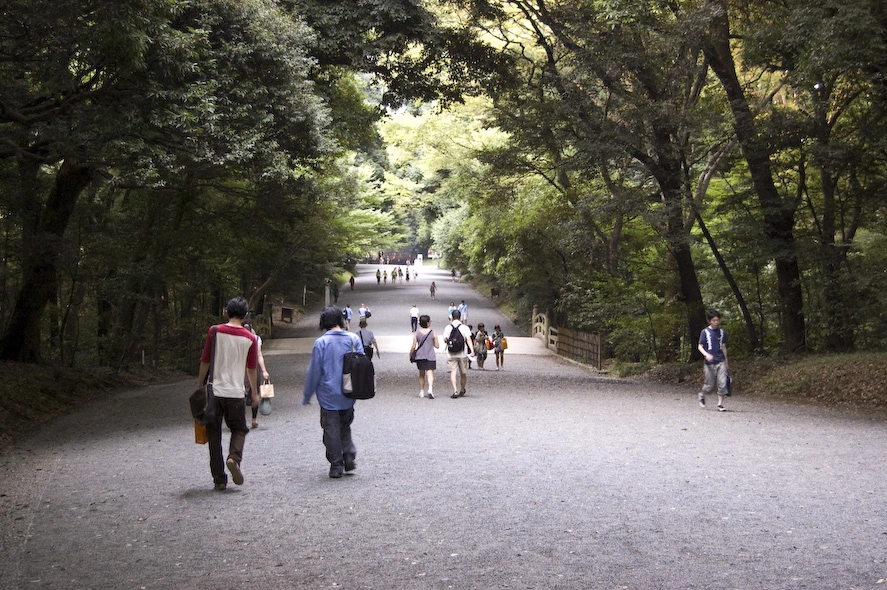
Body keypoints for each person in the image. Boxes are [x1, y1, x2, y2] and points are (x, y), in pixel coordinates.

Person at [196, 296, 258, 491]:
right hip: (236, 392)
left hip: (215, 390)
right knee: (239, 429)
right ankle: (234, 458)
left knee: (213, 435)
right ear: (245, 315)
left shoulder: (214, 331)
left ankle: (219, 480)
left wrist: (200, 383)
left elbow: (205, 360)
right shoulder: (250, 338)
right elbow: (251, 369)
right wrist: (254, 393)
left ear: (226, 312)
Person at [303, 306, 363, 478]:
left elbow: (314, 371)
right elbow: (361, 364)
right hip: (349, 392)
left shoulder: (321, 343)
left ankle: (336, 465)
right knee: (345, 426)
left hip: (328, 394)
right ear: (340, 320)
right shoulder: (353, 339)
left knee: (331, 430)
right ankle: (348, 454)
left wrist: (308, 393)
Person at [698, 309, 729, 412]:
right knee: (709, 386)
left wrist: (726, 361)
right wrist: (706, 354)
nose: (716, 322)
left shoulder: (722, 333)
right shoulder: (705, 332)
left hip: (721, 360)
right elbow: (700, 346)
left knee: (722, 383)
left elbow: (723, 347)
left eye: (717, 320)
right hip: (709, 363)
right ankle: (702, 394)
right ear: (709, 321)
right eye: (713, 320)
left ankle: (720, 404)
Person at [242, 319, 270, 430]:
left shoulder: (238, 338)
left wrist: (264, 370)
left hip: (241, 368)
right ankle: (253, 419)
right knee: (255, 393)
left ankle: (242, 419)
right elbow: (259, 355)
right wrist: (264, 371)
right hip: (254, 367)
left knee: (241, 394)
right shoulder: (256, 338)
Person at [442, 309, 472, 398]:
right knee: (463, 373)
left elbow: (445, 340)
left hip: (451, 353)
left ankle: (455, 391)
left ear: (452, 317)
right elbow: (468, 339)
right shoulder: (465, 327)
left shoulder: (448, 327)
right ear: (460, 317)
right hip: (462, 353)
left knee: (453, 372)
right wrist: (472, 350)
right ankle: (462, 389)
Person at [410, 314, 439, 399]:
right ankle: (430, 389)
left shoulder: (416, 333)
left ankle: (421, 391)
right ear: (428, 323)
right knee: (430, 373)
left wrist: (411, 354)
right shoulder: (433, 333)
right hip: (430, 356)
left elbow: (413, 346)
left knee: (421, 374)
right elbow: (437, 346)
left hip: (420, 356)